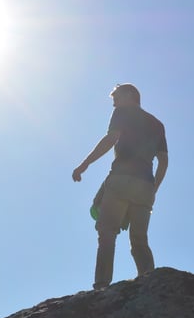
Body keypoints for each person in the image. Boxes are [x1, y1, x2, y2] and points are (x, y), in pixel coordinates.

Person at [72, 83, 168, 289]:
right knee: (139, 240)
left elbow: (110, 140)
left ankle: (101, 286)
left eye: (116, 96)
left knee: (107, 233)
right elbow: (164, 161)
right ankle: (150, 284)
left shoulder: (122, 113)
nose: (114, 101)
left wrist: (84, 164)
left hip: (121, 180)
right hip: (145, 187)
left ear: (130, 95)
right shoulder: (157, 124)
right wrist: (153, 189)